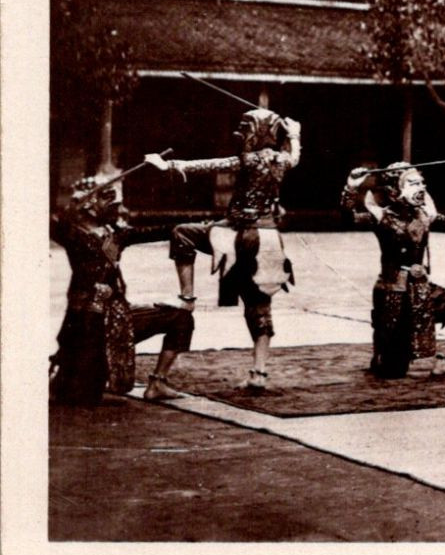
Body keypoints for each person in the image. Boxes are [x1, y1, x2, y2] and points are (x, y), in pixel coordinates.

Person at [147, 107, 300, 391]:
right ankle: (259, 373)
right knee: (260, 306)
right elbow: (295, 156)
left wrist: (168, 165)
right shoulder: (282, 160)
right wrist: (295, 134)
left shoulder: (249, 160)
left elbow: (209, 164)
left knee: (182, 233)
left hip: (236, 235)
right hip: (267, 239)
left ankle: (188, 296)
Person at [51, 174, 194, 404]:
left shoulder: (116, 233)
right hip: (87, 321)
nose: (117, 209)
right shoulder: (74, 234)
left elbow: (159, 230)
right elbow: (51, 222)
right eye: (111, 203)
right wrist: (68, 209)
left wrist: (203, 226)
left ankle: (158, 382)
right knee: (80, 395)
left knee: (180, 317)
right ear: (91, 206)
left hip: (119, 317)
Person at [342, 164, 445, 378]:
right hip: (394, 298)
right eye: (413, 183)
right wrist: (351, 188)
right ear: (396, 190)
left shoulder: (425, 214)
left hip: (423, 293)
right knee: (392, 371)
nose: (421, 188)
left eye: (422, 183)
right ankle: (382, 356)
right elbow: (349, 218)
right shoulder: (382, 217)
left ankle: (444, 361)